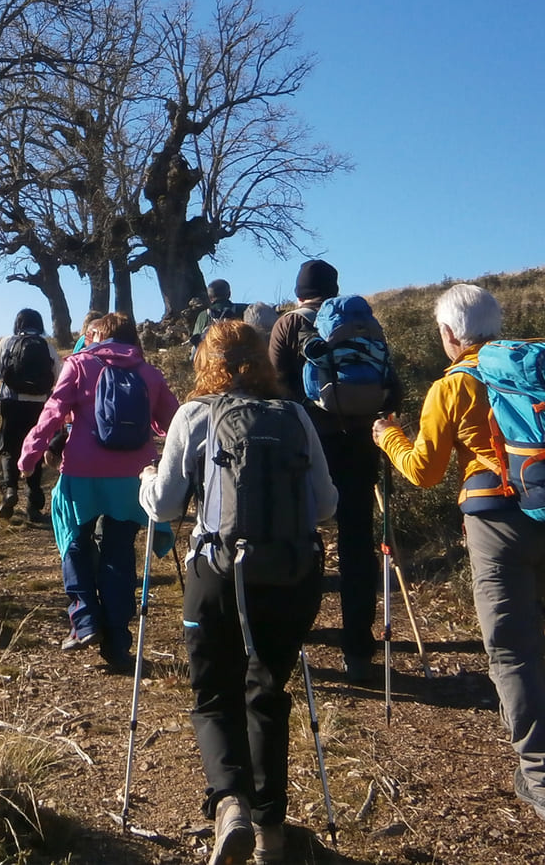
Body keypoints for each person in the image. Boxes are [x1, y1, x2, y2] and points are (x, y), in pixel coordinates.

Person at [372, 283, 545, 826]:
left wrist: (388, 436)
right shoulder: (535, 366)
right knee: (527, 632)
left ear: (448, 333)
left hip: (498, 521)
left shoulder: (454, 386)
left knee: (510, 650)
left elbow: (423, 471)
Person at [141, 320, 336, 865]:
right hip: (291, 573)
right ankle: (272, 833)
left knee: (212, 695)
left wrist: (146, 478)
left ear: (208, 362)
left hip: (218, 574)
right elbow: (325, 506)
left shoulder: (194, 414)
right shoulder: (296, 415)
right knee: (268, 692)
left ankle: (230, 804)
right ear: (264, 361)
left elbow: (165, 506)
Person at [20, 312, 179, 671]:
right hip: (133, 477)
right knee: (120, 552)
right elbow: (170, 422)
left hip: (82, 473)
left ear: (96, 336)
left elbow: (54, 412)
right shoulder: (149, 373)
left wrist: (29, 455)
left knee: (74, 540)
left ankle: (85, 618)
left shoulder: (79, 365)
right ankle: (118, 642)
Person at [268, 259, 399, 682]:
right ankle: (358, 648)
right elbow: (392, 386)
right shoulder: (362, 323)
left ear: (299, 290)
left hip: (309, 446)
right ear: (335, 287)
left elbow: (276, 390)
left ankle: (293, 635)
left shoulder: (288, 326)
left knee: (302, 540)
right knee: (357, 544)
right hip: (360, 444)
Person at [0, 308, 63, 522]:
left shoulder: (8, 342)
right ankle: (34, 504)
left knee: (9, 449)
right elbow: (58, 376)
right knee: (36, 451)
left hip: (12, 402)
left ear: (18, 323)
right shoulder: (46, 346)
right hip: (39, 405)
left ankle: (10, 490)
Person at [192, 279, 246, 347]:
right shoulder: (244, 309)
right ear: (229, 294)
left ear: (209, 297)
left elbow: (195, 341)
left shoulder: (203, 315)